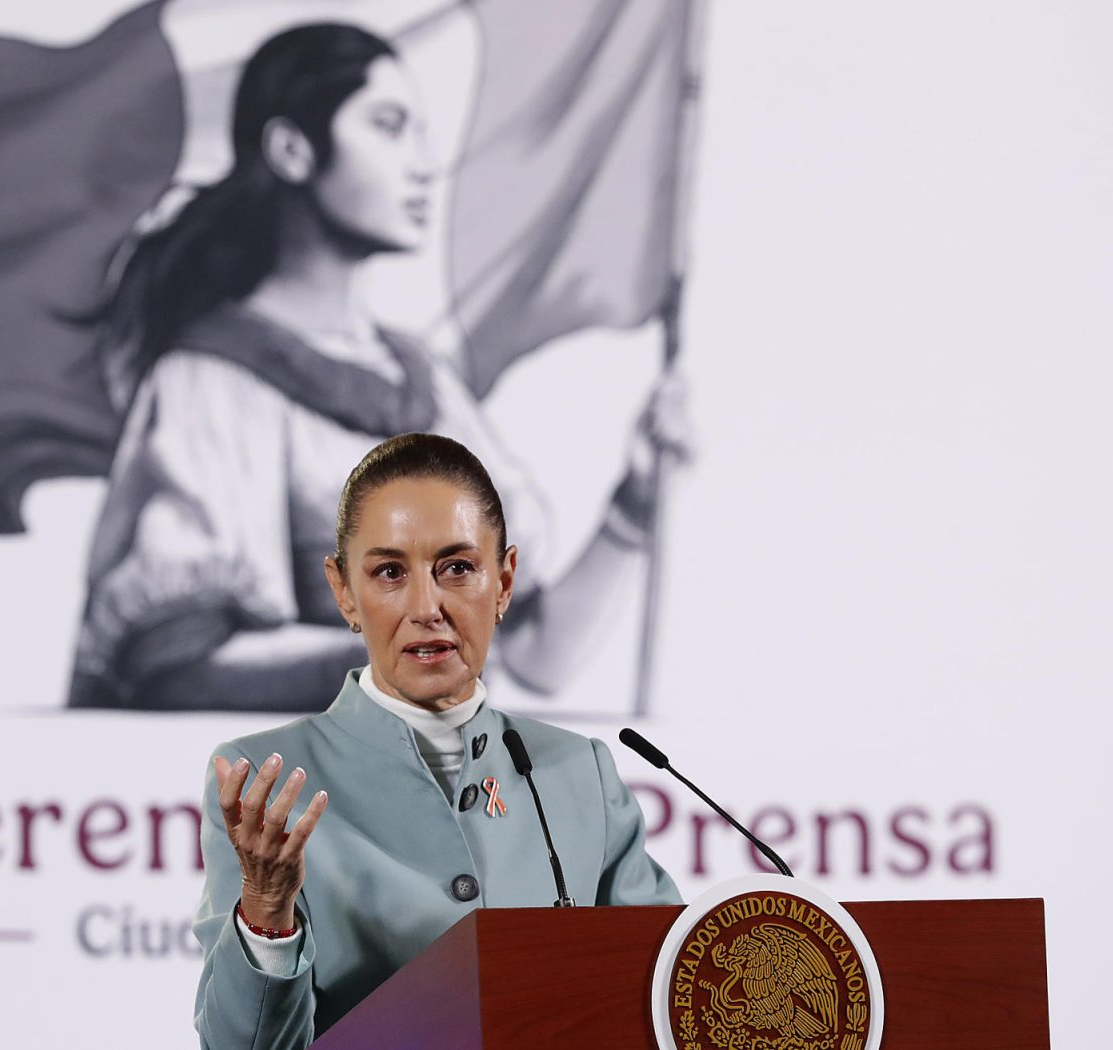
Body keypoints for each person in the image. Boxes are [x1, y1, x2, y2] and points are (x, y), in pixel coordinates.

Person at [68, 22, 690, 712]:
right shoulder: (211, 382)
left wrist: (634, 505)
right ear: (292, 150)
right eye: (388, 127)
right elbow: (180, 669)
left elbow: (535, 656)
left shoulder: (424, 385)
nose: (422, 164)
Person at [192, 433, 682, 1049]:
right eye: (390, 572)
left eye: (457, 568)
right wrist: (265, 913)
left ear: (504, 582)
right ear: (344, 590)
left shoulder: (581, 774)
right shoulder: (262, 780)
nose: (427, 607)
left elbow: (669, 1000)